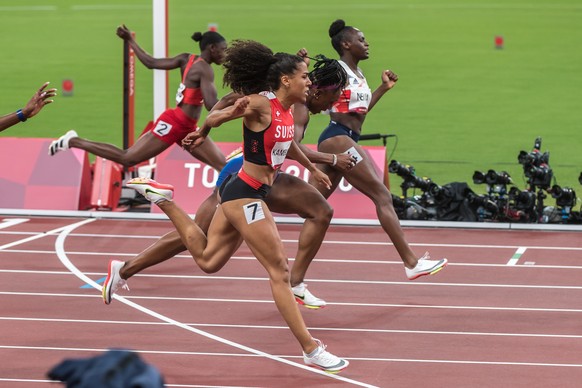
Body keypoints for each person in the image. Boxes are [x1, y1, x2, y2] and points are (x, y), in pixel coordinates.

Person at [108, 40, 349, 372]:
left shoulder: (286, 108)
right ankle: (310, 348)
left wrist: (311, 168)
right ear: (285, 80)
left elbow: (286, 141)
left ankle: (164, 200)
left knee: (208, 260)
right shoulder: (259, 104)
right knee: (279, 272)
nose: (310, 82)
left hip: (251, 193)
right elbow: (218, 113)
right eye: (305, 76)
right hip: (244, 194)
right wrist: (209, 128)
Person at [311, 19, 448, 279]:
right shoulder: (336, 70)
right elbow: (311, 97)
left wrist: (383, 89)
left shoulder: (359, 74)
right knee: (383, 195)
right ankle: (411, 262)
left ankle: (294, 277)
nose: (367, 43)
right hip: (337, 138)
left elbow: (359, 112)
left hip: (348, 137)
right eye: (361, 39)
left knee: (311, 204)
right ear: (346, 44)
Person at [48, 25, 229, 172]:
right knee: (128, 158)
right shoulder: (205, 69)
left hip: (187, 128)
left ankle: (224, 210)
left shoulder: (186, 59)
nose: (225, 54)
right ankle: (74, 141)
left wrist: (130, 40)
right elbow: (212, 105)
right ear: (212, 48)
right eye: (223, 50)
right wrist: (239, 101)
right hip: (175, 124)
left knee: (223, 166)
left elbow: (151, 62)